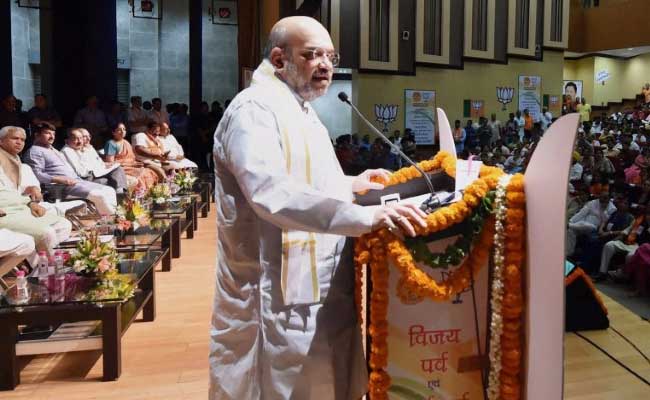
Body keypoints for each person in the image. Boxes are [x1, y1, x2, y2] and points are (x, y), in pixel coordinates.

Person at [209, 16, 427, 400]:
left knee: (327, 374)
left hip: (322, 277)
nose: (325, 64)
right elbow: (270, 193)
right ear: (279, 59)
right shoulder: (254, 110)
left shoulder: (301, 110)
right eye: (311, 54)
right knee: (288, 383)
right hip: (275, 286)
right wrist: (366, 216)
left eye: (330, 55)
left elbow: (310, 184)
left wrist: (351, 184)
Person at [22, 123, 117, 215]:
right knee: (99, 196)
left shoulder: (51, 149)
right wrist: (59, 179)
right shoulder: (35, 151)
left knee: (109, 190)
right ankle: (111, 221)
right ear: (37, 135)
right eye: (47, 133)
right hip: (59, 187)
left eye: (53, 134)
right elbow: (37, 174)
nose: (52, 136)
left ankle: (113, 219)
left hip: (76, 182)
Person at [0, 126, 85, 216]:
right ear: (1, 141)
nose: (19, 142)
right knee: (57, 225)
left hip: (27, 203)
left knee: (78, 204)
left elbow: (29, 191)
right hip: (10, 207)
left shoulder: (21, 164)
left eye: (22, 140)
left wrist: (33, 188)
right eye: (15, 138)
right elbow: (7, 192)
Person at [61, 128, 129, 193]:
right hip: (85, 179)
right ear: (66, 141)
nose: (79, 141)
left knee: (117, 170)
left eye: (81, 138)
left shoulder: (78, 148)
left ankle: (121, 193)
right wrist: (98, 170)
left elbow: (98, 163)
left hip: (93, 175)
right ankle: (121, 194)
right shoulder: (67, 151)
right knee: (109, 180)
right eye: (75, 139)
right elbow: (81, 172)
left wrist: (104, 167)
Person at [104, 123, 159, 192]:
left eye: (124, 129)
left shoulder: (126, 142)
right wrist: (128, 163)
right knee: (141, 176)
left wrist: (134, 163)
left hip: (131, 165)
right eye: (119, 130)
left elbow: (132, 158)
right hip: (120, 168)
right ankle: (139, 196)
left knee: (149, 172)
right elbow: (110, 163)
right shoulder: (111, 144)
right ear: (113, 132)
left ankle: (151, 195)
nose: (122, 131)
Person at [567, 191, 616, 256]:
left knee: (587, 226)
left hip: (594, 227)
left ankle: (569, 225)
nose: (602, 199)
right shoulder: (592, 203)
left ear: (609, 198)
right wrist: (571, 221)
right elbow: (581, 213)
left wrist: (604, 209)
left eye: (605, 198)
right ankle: (569, 252)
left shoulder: (612, 208)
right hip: (581, 223)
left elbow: (605, 221)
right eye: (601, 197)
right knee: (570, 230)